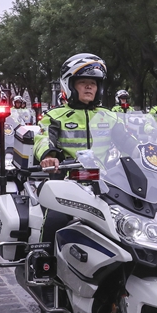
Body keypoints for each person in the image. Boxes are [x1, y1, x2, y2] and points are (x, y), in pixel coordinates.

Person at [34, 53, 112, 244]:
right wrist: (49, 156)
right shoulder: (55, 116)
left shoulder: (110, 116)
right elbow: (43, 137)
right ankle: (44, 261)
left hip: (108, 183)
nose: (88, 86)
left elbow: (132, 140)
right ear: (69, 85)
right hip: (67, 182)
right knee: (56, 219)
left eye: (93, 83)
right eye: (83, 82)